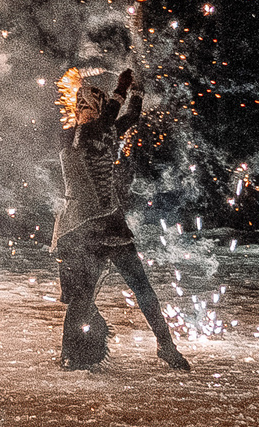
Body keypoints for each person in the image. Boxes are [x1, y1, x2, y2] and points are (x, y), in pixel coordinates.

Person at [52, 66, 191, 371]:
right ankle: (69, 355)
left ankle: (166, 345)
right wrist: (122, 87)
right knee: (82, 297)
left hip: (111, 224)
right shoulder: (75, 135)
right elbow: (111, 119)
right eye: (81, 107)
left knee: (142, 287)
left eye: (89, 107)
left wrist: (137, 90)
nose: (84, 112)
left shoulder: (106, 131)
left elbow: (131, 116)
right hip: (83, 227)